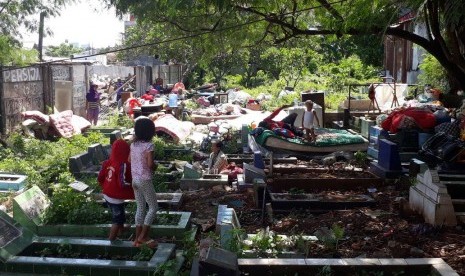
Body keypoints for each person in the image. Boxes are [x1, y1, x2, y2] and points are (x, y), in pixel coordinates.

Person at [97, 139, 134, 241]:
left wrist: (104, 185)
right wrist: (133, 186)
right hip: (115, 197)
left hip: (107, 194)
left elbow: (100, 177)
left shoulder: (107, 162)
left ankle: (122, 229)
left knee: (120, 213)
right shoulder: (122, 165)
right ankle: (112, 238)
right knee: (117, 219)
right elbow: (122, 183)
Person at [130, 117, 158, 247]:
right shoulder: (149, 146)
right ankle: (143, 236)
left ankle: (136, 240)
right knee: (153, 207)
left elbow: (129, 160)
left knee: (140, 207)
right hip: (145, 179)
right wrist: (155, 166)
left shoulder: (133, 145)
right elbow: (150, 163)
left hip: (134, 179)